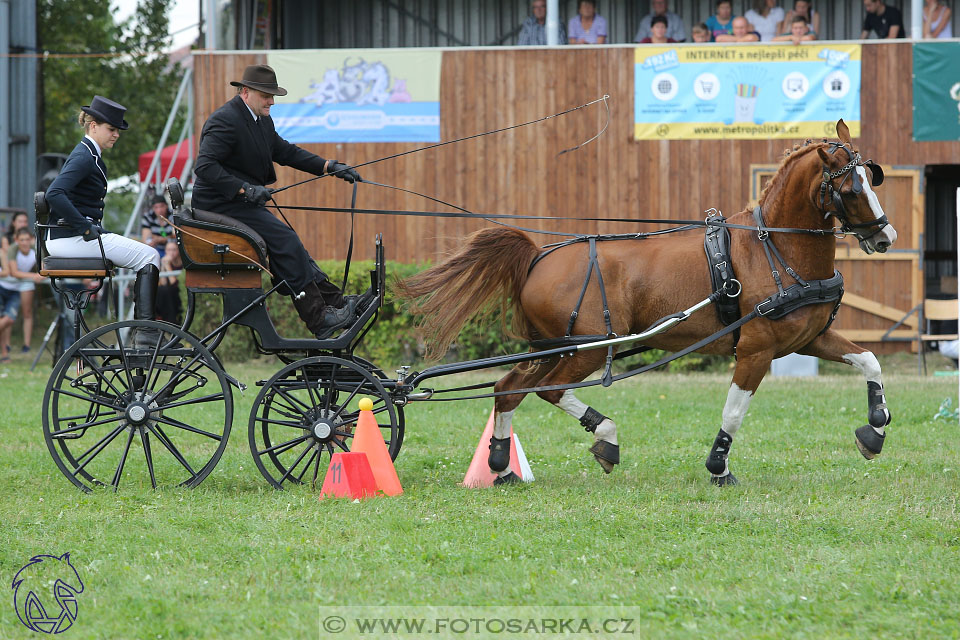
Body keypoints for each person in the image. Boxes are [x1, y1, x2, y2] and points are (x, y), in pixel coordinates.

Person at [192, 64, 368, 340]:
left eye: (273, 96)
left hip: (241, 204)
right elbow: (204, 167)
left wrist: (330, 166)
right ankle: (319, 319)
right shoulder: (225, 120)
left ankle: (334, 303)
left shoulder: (261, 120)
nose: (272, 101)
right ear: (246, 92)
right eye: (266, 95)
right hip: (218, 204)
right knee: (284, 239)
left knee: (289, 242)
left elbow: (285, 151)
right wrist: (245, 190)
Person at [45, 96, 163, 349]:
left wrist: (93, 228)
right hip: (68, 239)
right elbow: (54, 193)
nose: (116, 135)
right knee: (150, 256)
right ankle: (145, 333)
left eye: (117, 130)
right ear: (93, 125)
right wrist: (85, 228)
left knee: (146, 255)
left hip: (70, 238)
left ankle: (143, 330)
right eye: (111, 129)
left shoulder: (90, 155)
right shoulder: (84, 157)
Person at [8, 227, 43, 354]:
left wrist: (38, 275)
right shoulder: (13, 249)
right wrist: (34, 276)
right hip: (9, 283)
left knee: (27, 312)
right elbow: (14, 272)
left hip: (25, 283)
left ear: (31, 240)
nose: (24, 243)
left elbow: (43, 269)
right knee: (9, 315)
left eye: (27, 239)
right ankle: (7, 345)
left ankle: (26, 345)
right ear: (17, 240)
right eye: (22, 240)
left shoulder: (35, 250)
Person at [156, 240, 182, 325]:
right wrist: (163, 266)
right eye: (169, 250)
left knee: (166, 291)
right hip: (168, 294)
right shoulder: (166, 262)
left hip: (179, 292)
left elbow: (175, 284)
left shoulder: (182, 264)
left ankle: (171, 321)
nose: (171, 253)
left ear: (178, 251)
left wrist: (168, 266)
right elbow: (163, 284)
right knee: (160, 290)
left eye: (174, 250)